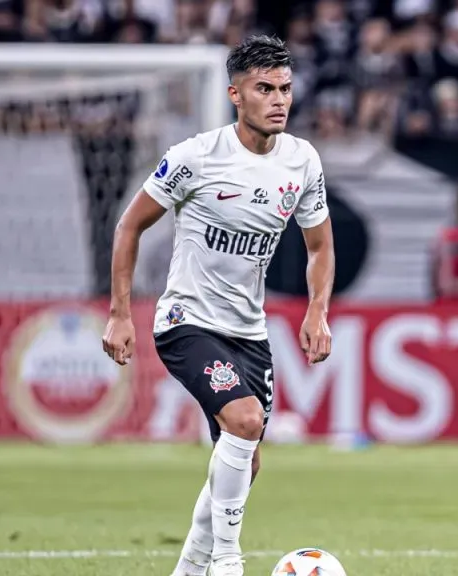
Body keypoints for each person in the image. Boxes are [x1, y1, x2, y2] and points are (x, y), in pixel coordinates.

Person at [101, 35, 335, 576]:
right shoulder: (195, 158)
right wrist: (118, 312)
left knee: (245, 462)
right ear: (235, 94)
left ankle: (188, 568)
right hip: (187, 322)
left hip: (249, 332)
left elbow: (320, 245)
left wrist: (316, 309)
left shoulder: (302, 161)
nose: (278, 100)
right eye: (264, 89)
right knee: (246, 419)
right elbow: (129, 226)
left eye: (285, 89)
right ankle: (227, 560)